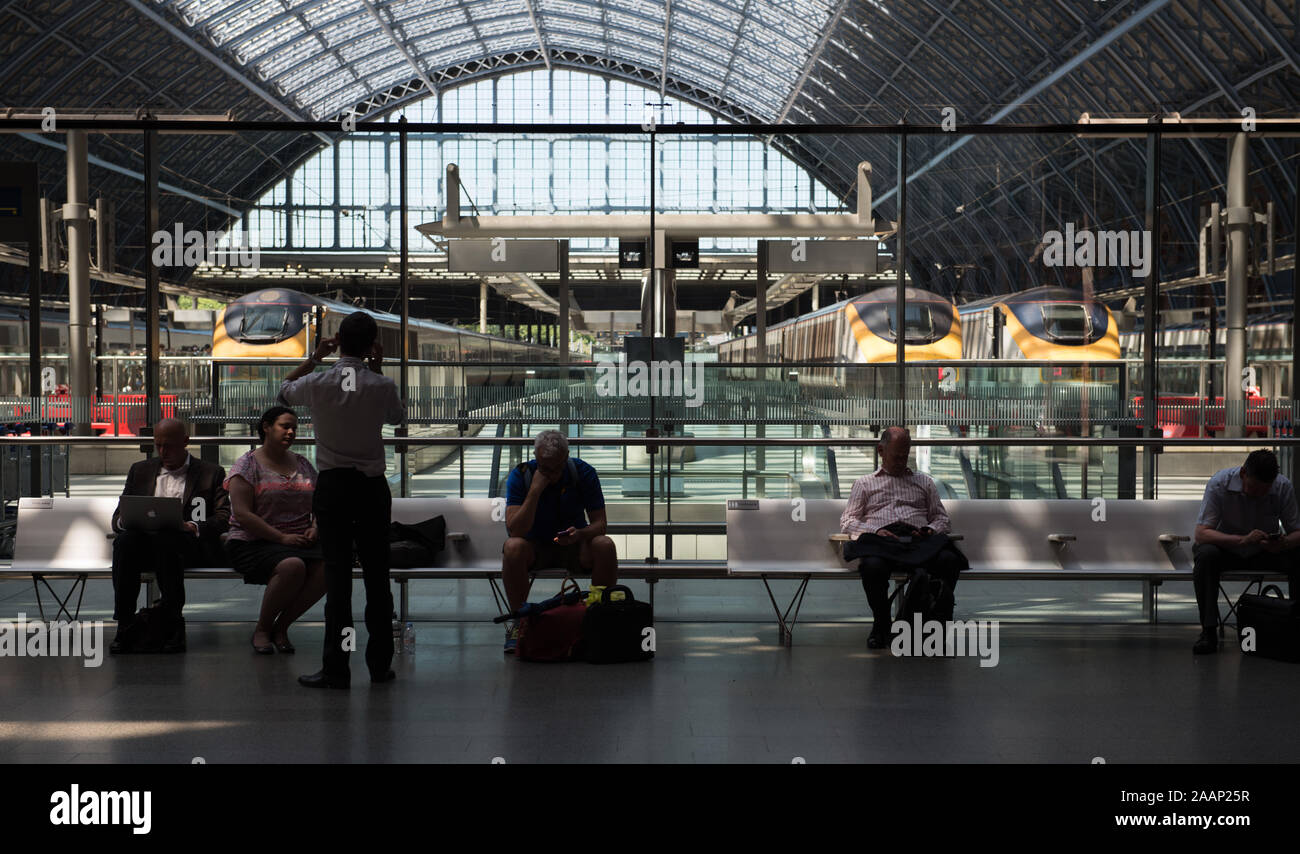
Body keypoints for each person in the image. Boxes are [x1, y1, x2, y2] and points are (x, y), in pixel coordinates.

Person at [277, 312, 404, 688]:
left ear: (337, 341)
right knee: (378, 576)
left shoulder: (317, 382)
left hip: (333, 488)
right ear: (372, 345)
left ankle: (336, 667)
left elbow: (283, 390)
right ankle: (380, 666)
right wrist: (378, 368)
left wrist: (315, 358)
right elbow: (398, 418)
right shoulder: (381, 385)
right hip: (371, 489)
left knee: (337, 576)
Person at [110, 417, 230, 654]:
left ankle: (173, 621)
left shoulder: (210, 472)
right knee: (124, 542)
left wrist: (194, 527)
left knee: (168, 541)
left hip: (187, 548)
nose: (163, 451)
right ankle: (125, 622)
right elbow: (117, 518)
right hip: (144, 546)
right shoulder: (140, 471)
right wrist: (128, 519)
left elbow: (224, 517)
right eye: (159, 445)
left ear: (185, 442)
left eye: (170, 445)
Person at [840, 426, 966, 649]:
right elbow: (848, 521)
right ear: (881, 451)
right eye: (896, 456)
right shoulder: (864, 484)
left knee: (950, 560)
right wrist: (874, 532)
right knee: (872, 566)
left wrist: (929, 530)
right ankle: (882, 623)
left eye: (905, 456)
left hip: (918, 541)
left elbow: (941, 519)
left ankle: (928, 622)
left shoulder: (924, 482)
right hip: (883, 541)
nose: (901, 461)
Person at [501, 429, 616, 653]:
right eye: (544, 467)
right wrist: (534, 491)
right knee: (513, 547)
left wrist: (581, 535)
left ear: (566, 457)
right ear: (535, 456)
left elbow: (600, 524)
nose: (550, 474)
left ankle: (600, 617)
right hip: (535, 547)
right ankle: (520, 621)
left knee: (605, 545)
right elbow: (515, 530)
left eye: (555, 468)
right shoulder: (522, 475)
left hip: (574, 545)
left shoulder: (583, 472)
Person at [224, 406, 327, 655]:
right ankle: (262, 628)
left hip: (298, 540)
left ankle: (281, 627)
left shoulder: (302, 464)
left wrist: (314, 527)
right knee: (292, 566)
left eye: (294, 427)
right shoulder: (247, 464)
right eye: (285, 426)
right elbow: (243, 514)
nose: (291, 432)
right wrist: (281, 537)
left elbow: (319, 505)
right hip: (253, 541)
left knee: (331, 566)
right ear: (267, 427)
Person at [1191, 449, 1300, 654]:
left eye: (1264, 491)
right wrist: (1241, 540)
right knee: (1206, 555)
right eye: (1253, 488)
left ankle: (1296, 624)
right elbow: (1202, 534)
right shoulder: (1219, 484)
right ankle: (1208, 630)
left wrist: (1283, 543)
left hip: (1264, 551)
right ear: (1243, 474)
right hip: (1228, 550)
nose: (1258, 494)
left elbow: (1297, 532)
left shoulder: (1282, 486)